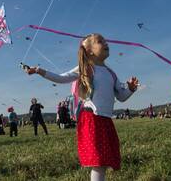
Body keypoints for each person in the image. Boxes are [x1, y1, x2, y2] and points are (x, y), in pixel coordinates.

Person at [24, 33, 138, 181]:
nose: (105, 42)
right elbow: (61, 78)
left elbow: (121, 97)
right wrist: (39, 70)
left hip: (106, 120)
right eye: (100, 41)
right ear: (89, 50)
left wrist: (130, 89)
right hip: (92, 119)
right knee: (98, 163)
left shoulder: (111, 73)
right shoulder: (85, 68)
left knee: (103, 163)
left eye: (105, 40)